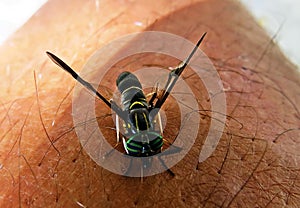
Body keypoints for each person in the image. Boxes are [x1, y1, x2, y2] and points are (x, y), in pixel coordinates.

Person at [0, 0, 299, 207]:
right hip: (128, 90)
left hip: (135, 94)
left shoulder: (146, 121)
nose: (145, 149)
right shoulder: (139, 115)